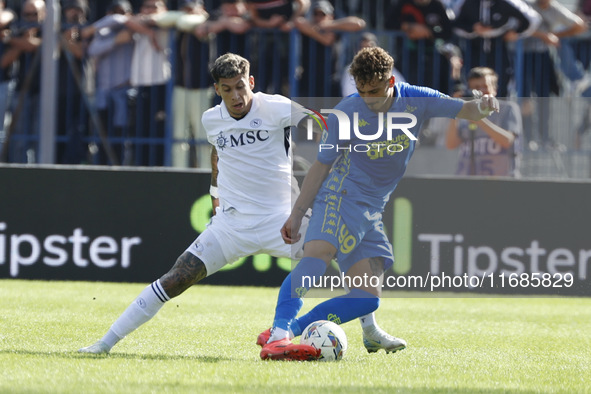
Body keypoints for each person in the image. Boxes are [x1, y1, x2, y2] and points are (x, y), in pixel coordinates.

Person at [258, 47, 499, 361]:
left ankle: (311, 329)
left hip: (370, 208)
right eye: (361, 91)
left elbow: (466, 111)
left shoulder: (417, 98)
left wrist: (483, 104)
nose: (368, 98)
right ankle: (279, 334)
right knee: (317, 256)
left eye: (374, 91)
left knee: (367, 298)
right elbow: (320, 166)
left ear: (391, 80)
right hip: (340, 197)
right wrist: (297, 212)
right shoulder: (347, 112)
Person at [78, 53, 311, 355]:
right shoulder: (211, 119)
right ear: (217, 90)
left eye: (241, 86)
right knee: (174, 280)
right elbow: (217, 154)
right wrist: (214, 191)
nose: (236, 96)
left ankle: (367, 332)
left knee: (345, 258)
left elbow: (321, 123)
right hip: (231, 226)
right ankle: (103, 345)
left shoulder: (277, 107)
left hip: (281, 221)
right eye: (227, 89)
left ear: (251, 82)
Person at [445, 67, 521, 176]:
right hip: (469, 182)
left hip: (501, 182)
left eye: (485, 86)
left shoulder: (507, 108)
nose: (481, 92)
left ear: (494, 89)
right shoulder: (465, 110)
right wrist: (455, 110)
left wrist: (478, 119)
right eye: (476, 88)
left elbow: (508, 141)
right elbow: (451, 144)